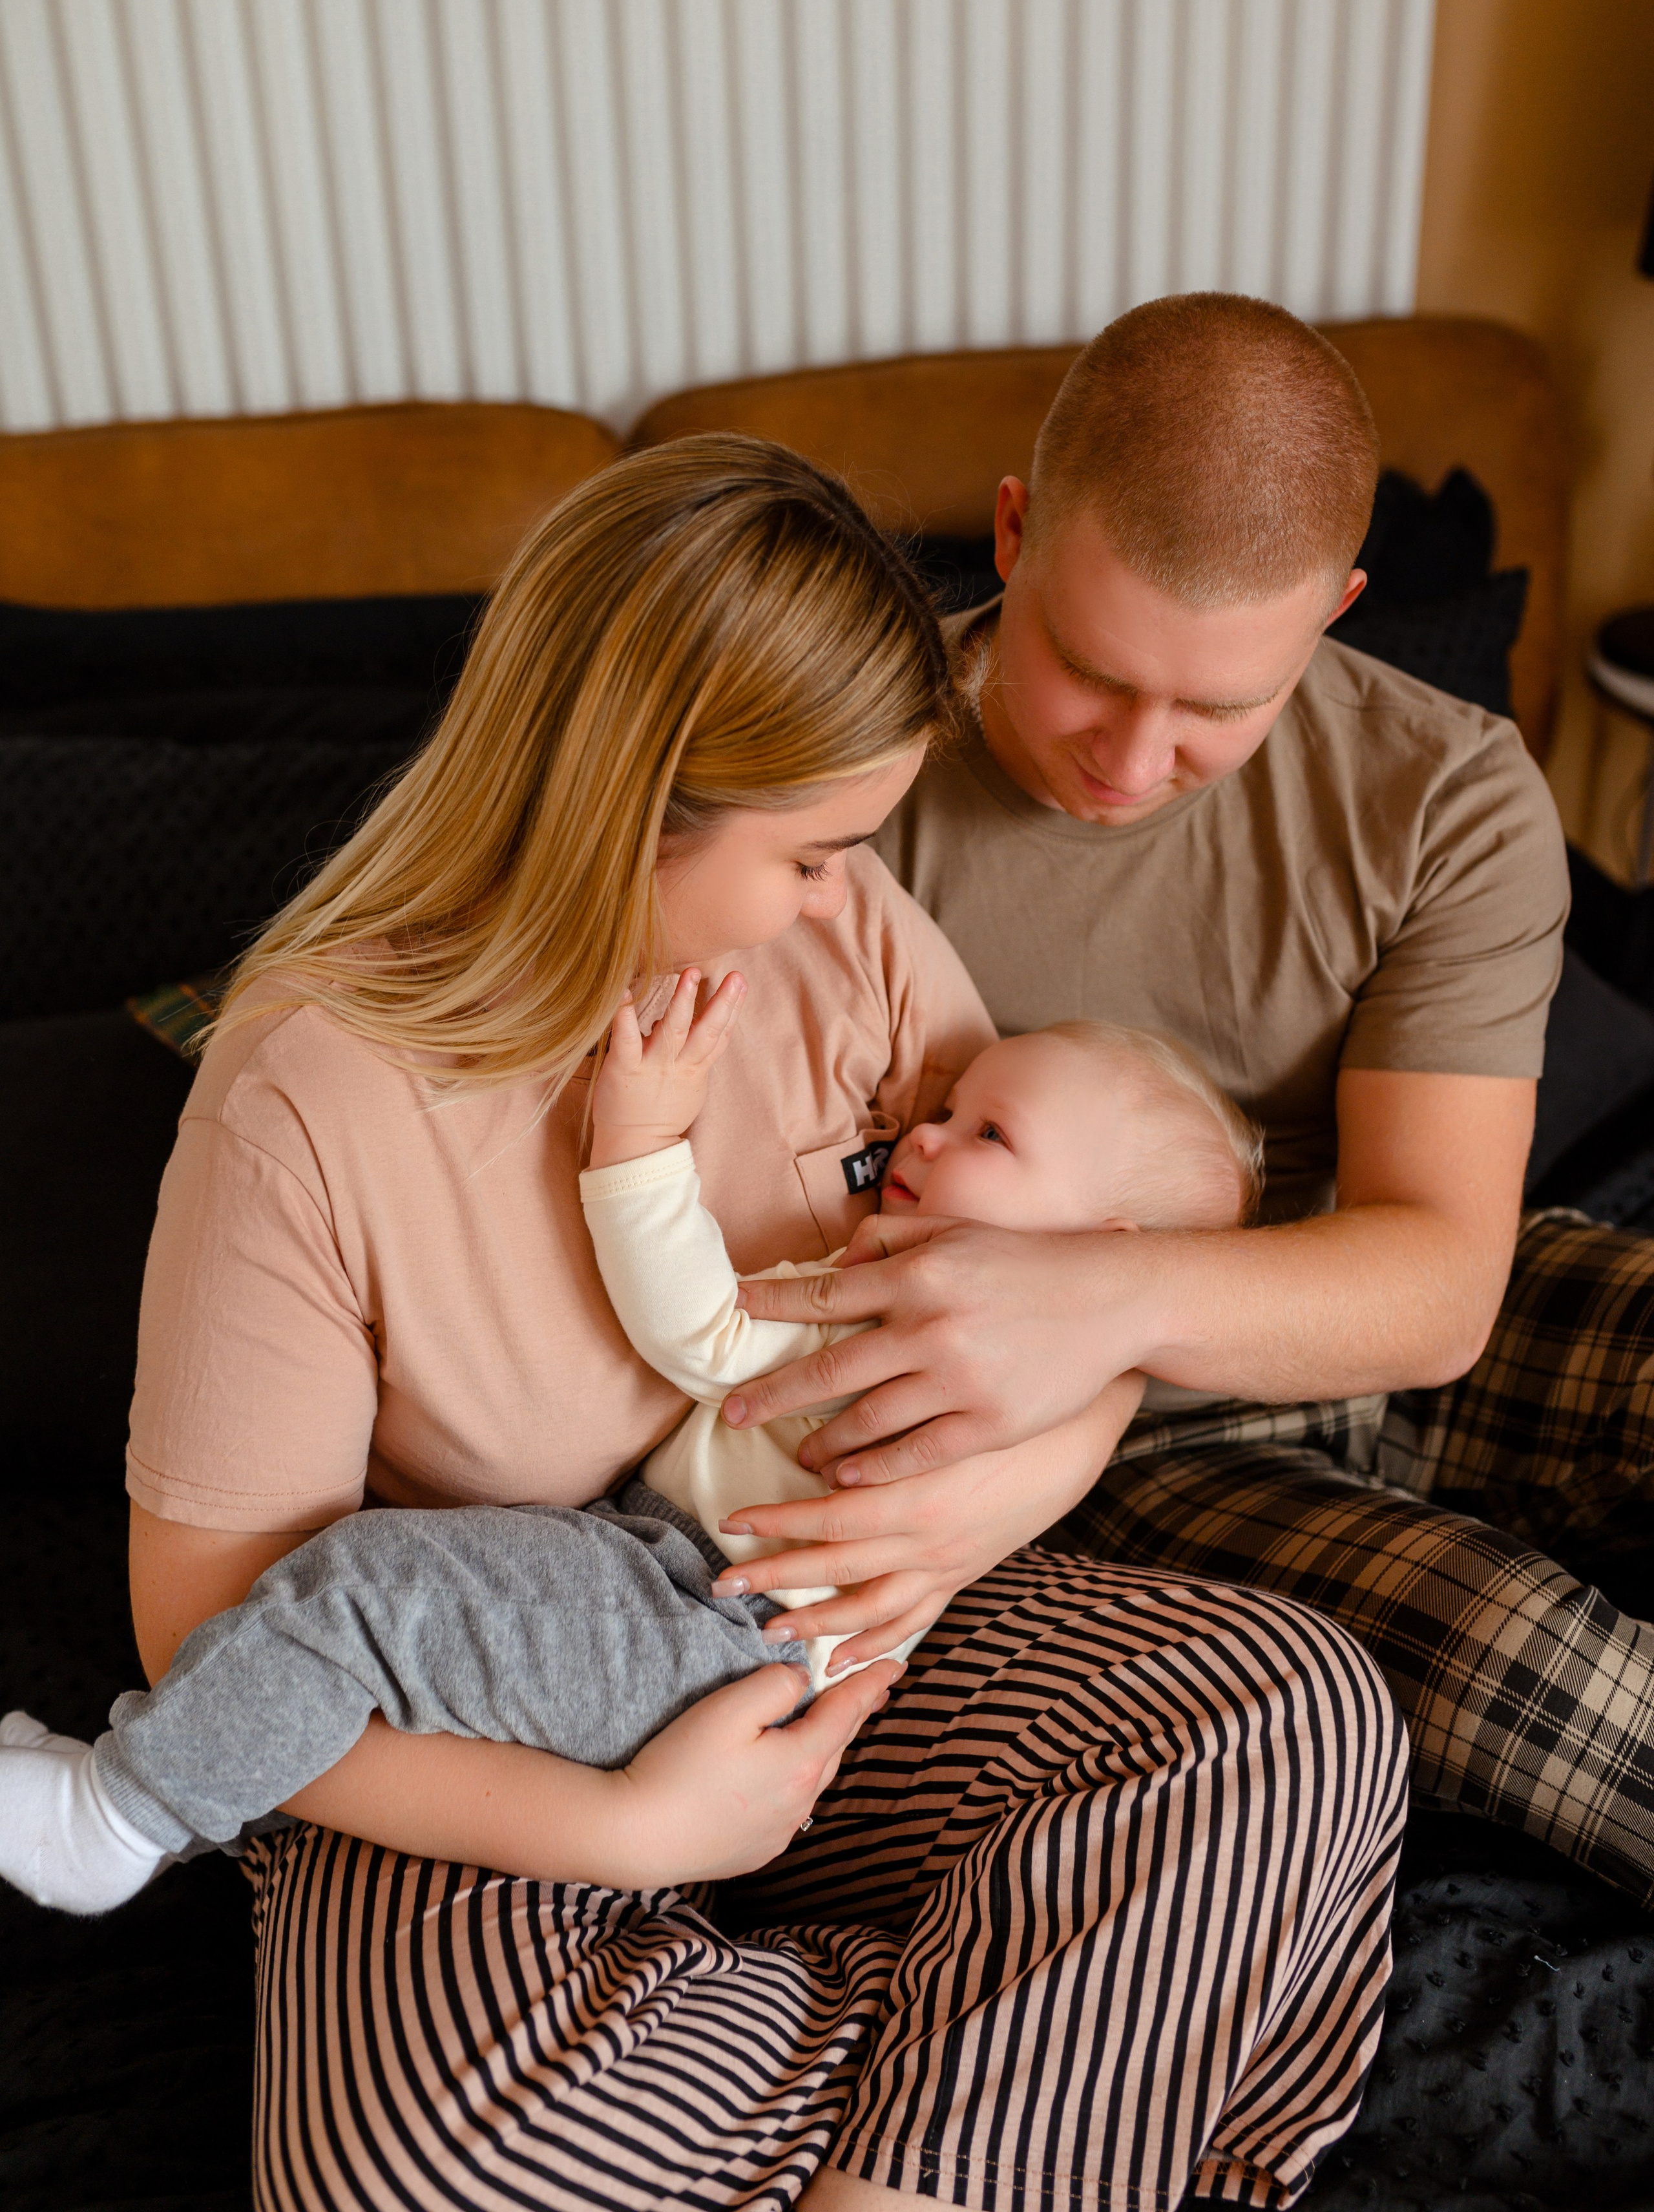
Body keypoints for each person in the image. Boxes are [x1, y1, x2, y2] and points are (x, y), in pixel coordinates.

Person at [123, 432, 1406, 2211]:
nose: (841, 894)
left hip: (845, 1625)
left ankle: (897, 2166)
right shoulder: (308, 1096)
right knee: (415, 2159)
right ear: (640, 806)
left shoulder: (844, 941)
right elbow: (208, 1637)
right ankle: (1034, 2059)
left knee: (1294, 1714)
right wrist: (631, 1832)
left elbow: (1071, 1287)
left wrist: (962, 1524)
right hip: (487, 1713)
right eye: (814, 852)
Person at [724, 292, 1654, 1908]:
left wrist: (1093, 1292)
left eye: (1220, 706)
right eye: (1088, 671)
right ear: (1011, 532)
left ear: (1337, 610)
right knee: (1534, 1668)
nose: (1133, 760)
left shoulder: (1443, 791)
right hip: (1118, 1445)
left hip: (1357, 1281)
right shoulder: (846, 804)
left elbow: (1436, 1285)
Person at [0, 1013, 1261, 1915]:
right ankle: (173, 1777)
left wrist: (638, 1141)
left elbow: (702, 1329)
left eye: (984, 1131)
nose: (918, 1140)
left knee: (371, 1594)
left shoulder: (934, 1320)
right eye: (941, 1108)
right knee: (383, 1623)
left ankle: (118, 1819)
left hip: (703, 1627)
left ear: (1101, 1251)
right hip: (683, 1593)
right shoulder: (1050, 1382)